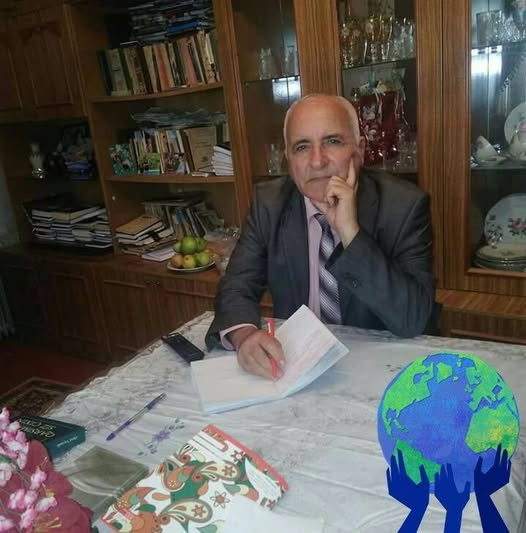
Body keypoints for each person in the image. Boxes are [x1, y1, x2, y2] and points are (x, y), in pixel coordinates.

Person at [205, 93, 438, 379]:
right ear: (289, 160)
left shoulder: (403, 207)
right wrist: (244, 335)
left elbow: (413, 318)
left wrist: (350, 233)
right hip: (297, 365)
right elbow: (237, 285)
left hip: (382, 368)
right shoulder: (269, 204)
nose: (317, 161)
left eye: (333, 141)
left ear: (359, 150)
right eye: (302, 147)